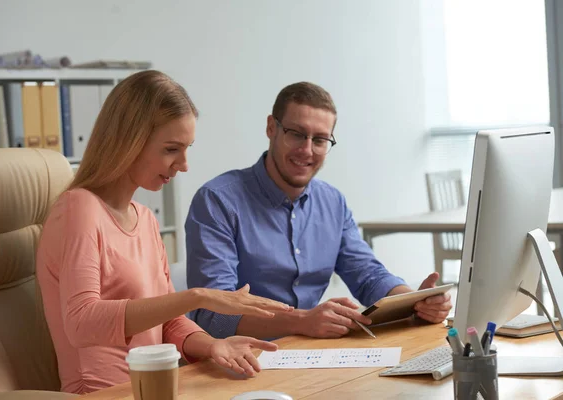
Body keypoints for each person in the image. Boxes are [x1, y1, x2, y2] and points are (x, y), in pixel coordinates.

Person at [36, 70, 293, 395]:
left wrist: (214, 346)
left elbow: (167, 323)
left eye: (187, 148)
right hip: (104, 392)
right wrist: (198, 295)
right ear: (128, 141)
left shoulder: (145, 219)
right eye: (172, 149)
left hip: (159, 386)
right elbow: (82, 322)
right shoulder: (79, 209)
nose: (184, 164)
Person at [185, 81, 452, 340]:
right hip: (239, 359)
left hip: (309, 354)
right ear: (271, 128)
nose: (307, 150)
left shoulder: (332, 201)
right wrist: (302, 321)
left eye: (320, 140)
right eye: (297, 134)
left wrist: (415, 302)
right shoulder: (217, 201)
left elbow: (369, 277)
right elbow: (212, 315)